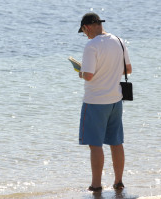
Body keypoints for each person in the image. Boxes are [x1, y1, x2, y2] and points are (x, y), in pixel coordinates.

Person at [77, 13, 132, 192]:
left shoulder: (91, 45)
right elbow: (128, 69)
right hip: (116, 100)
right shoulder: (119, 40)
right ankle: (118, 181)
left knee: (95, 145)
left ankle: (96, 184)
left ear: (88, 27)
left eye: (84, 31)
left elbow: (89, 76)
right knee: (116, 142)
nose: (85, 35)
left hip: (95, 101)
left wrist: (80, 72)